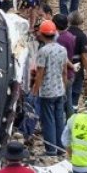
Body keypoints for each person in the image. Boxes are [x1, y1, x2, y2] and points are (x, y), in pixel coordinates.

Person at [31, 21, 70, 157]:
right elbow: (64, 71)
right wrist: (64, 87)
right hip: (59, 90)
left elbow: (40, 74)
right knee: (59, 119)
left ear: (42, 34)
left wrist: (34, 93)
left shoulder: (43, 51)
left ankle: (51, 149)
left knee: (48, 121)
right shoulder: (62, 50)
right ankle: (61, 147)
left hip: (47, 92)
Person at [64, 10, 87, 113]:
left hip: (64, 66)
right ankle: (72, 115)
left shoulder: (65, 33)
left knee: (65, 94)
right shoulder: (82, 36)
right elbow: (84, 57)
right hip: (77, 68)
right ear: (81, 22)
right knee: (74, 95)